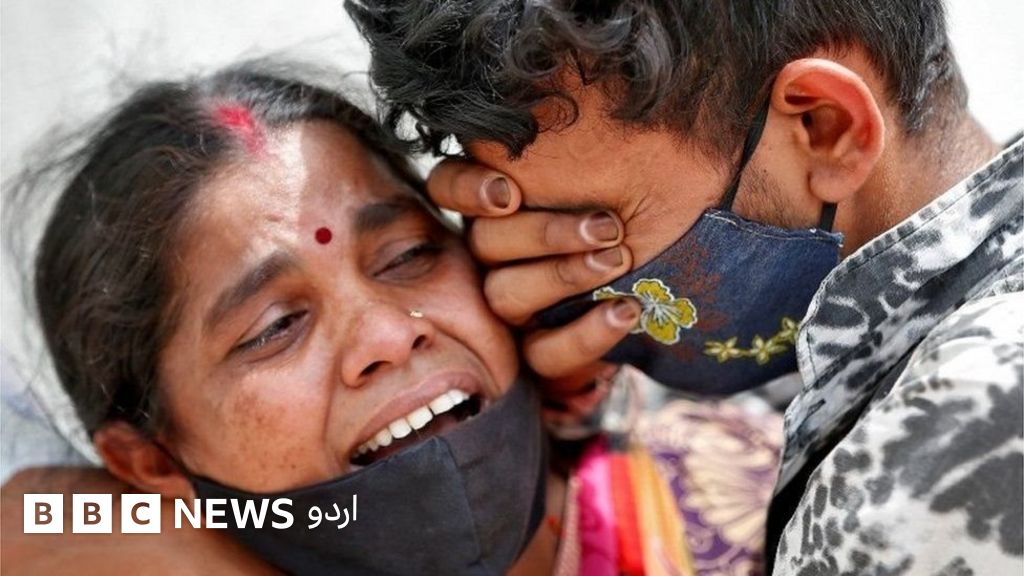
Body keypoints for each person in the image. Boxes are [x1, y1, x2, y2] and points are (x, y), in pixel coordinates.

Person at [3, 64, 784, 575]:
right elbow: (32, 511)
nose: (388, 334)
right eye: (275, 327)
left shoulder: (764, 492)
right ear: (150, 463)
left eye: (410, 255)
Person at [345, 0, 1024, 573]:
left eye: (594, 227)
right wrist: (572, 402)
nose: (554, 284)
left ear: (825, 125)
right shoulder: (877, 353)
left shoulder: (941, 444)